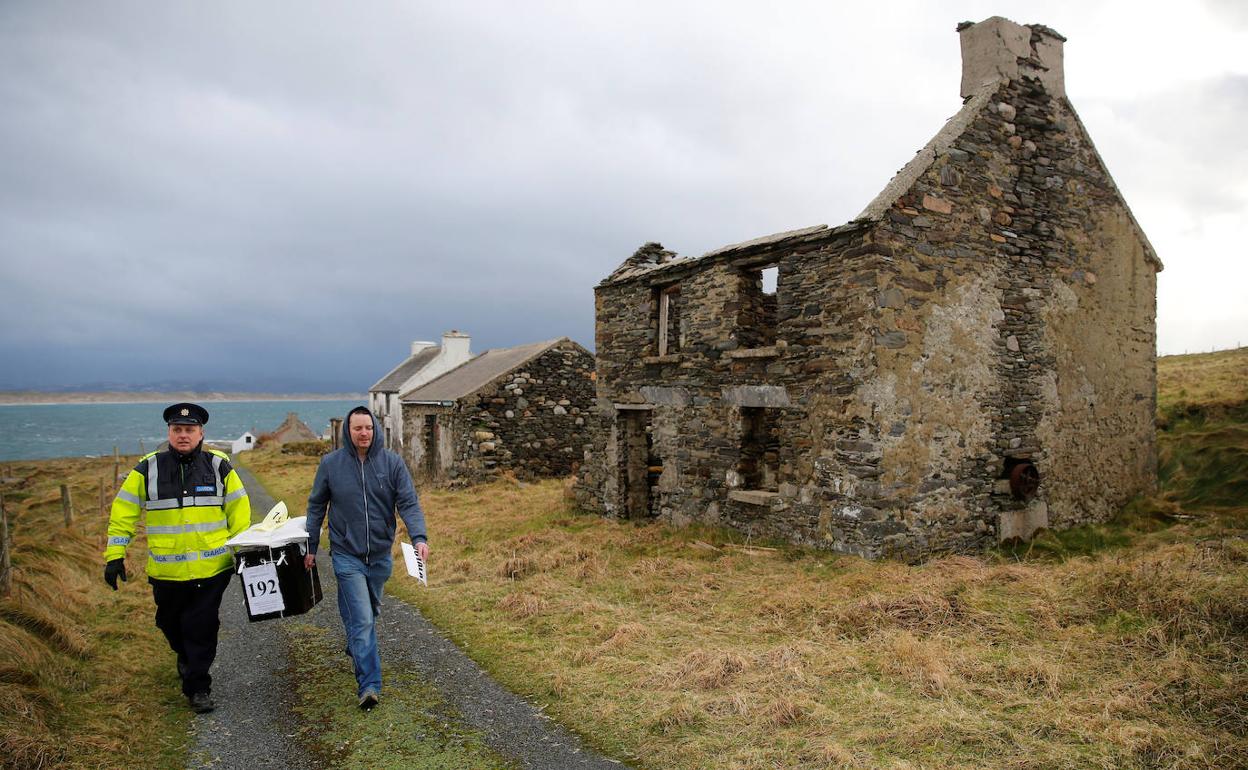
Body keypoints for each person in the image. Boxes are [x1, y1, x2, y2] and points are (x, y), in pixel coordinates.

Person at [103, 402, 251, 713]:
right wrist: (115, 555)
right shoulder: (147, 468)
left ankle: (198, 687)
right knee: (168, 623)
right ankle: (186, 659)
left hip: (212, 569)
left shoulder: (219, 466)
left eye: (189, 429)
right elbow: (123, 514)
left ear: (201, 433)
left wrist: (241, 552)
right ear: (169, 432)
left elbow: (239, 512)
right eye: (177, 429)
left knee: (202, 626)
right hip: (166, 572)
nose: (183, 435)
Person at [304, 406, 428, 710]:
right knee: (362, 619)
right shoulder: (331, 465)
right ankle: (369, 684)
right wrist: (309, 545)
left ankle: (356, 645)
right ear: (347, 431)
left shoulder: (392, 463)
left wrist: (419, 537)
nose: (364, 433)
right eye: (357, 428)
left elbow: (408, 503)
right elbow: (316, 506)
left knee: (368, 613)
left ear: (374, 430)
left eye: (368, 428)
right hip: (346, 553)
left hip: (381, 555)